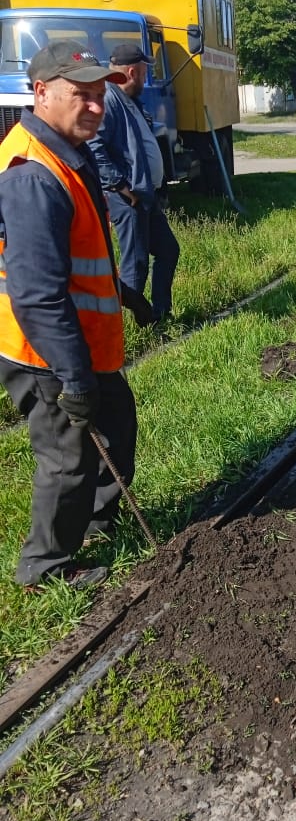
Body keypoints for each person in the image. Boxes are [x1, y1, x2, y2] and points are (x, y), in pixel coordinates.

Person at [0, 39, 154, 590]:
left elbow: (77, 252)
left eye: (99, 95)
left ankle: (95, 525)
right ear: (41, 92)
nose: (94, 106)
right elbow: (38, 294)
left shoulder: (67, 149)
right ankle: (45, 568)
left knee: (116, 425)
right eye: (80, 95)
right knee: (68, 457)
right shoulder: (32, 174)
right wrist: (73, 377)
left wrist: (123, 293)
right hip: (44, 349)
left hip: (80, 339)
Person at [89, 43, 180, 323]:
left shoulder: (129, 100)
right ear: (132, 72)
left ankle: (159, 314)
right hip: (129, 198)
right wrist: (120, 185)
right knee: (135, 264)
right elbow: (94, 147)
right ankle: (132, 326)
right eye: (143, 72)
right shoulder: (109, 100)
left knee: (168, 250)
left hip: (145, 194)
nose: (145, 78)